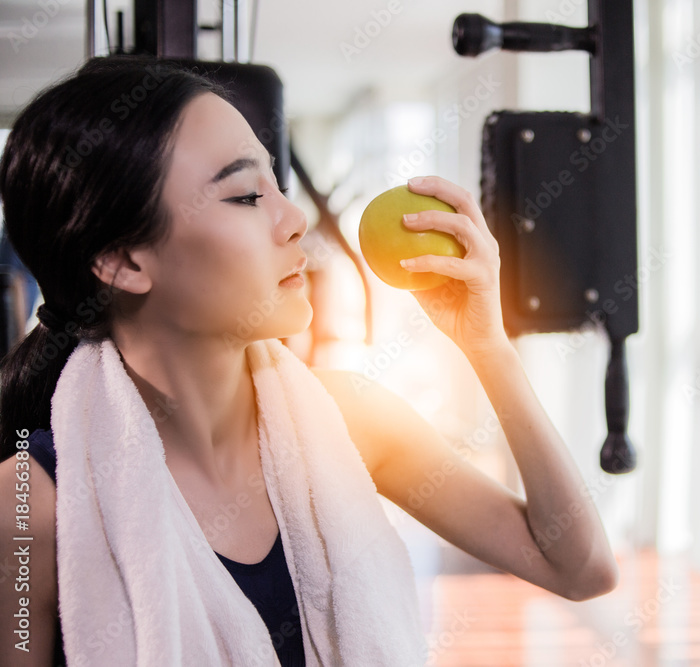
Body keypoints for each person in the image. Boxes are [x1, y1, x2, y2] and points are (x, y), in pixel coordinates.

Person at [0, 55, 618, 666]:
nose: (294, 221)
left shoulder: (351, 418)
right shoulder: (28, 504)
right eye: (245, 196)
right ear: (123, 261)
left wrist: (488, 345)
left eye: (278, 185)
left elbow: (579, 568)